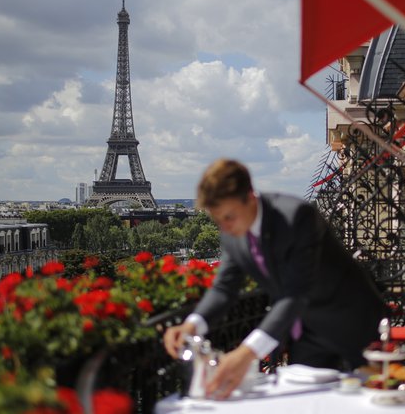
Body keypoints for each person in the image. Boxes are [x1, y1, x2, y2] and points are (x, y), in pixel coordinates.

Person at [163, 159, 386, 399]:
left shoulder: (297, 216)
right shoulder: (232, 233)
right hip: (307, 332)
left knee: (375, 401)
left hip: (353, 323)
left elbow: (296, 293)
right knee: (309, 403)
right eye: (218, 221)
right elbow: (224, 288)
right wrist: (193, 323)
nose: (225, 228)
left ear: (250, 197)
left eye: (229, 217)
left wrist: (245, 353)